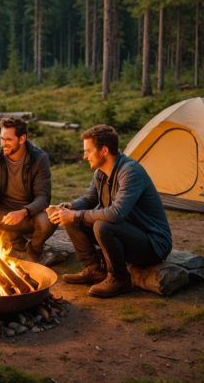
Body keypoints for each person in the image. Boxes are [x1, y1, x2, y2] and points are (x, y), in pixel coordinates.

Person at [50, 125, 173, 299]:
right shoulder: (101, 172)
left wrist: (76, 214)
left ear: (104, 150)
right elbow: (89, 198)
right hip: (127, 233)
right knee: (71, 218)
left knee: (103, 225)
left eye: (88, 151)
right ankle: (95, 269)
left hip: (153, 244)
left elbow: (116, 213)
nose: (85, 156)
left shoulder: (130, 172)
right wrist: (71, 207)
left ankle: (119, 278)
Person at [0, 117, 55, 262]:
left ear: (22, 139)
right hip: (3, 215)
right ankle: (9, 243)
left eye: (8, 140)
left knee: (47, 221)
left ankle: (33, 252)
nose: (3, 144)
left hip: (29, 216)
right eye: (2, 139)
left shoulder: (38, 158)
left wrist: (24, 212)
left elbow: (43, 198)